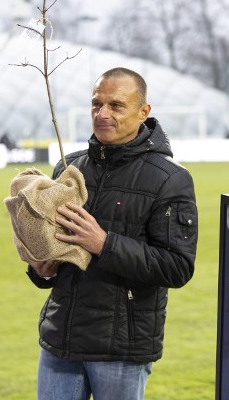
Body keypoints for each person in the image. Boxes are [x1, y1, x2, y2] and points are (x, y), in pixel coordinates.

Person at [26, 67, 198, 400]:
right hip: (61, 339)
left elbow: (178, 267)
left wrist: (105, 244)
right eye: (96, 104)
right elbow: (58, 253)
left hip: (121, 348)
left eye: (116, 105)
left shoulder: (170, 178)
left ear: (143, 112)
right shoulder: (68, 168)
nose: (102, 114)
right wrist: (41, 268)